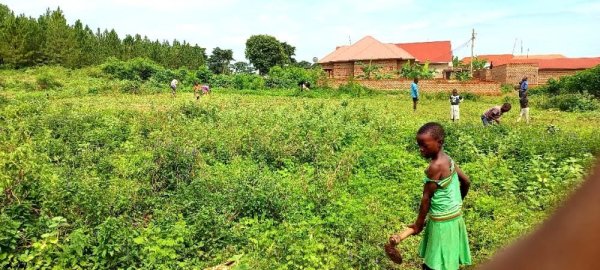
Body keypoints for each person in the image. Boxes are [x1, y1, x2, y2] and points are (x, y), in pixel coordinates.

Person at [390, 122, 472, 270]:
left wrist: (418, 225)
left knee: (433, 264)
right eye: (419, 145)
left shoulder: (435, 167)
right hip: (455, 218)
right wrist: (456, 203)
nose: (421, 150)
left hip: (441, 223)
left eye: (425, 145)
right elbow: (466, 181)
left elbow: (426, 198)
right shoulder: (448, 159)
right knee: (448, 256)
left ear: (439, 142)